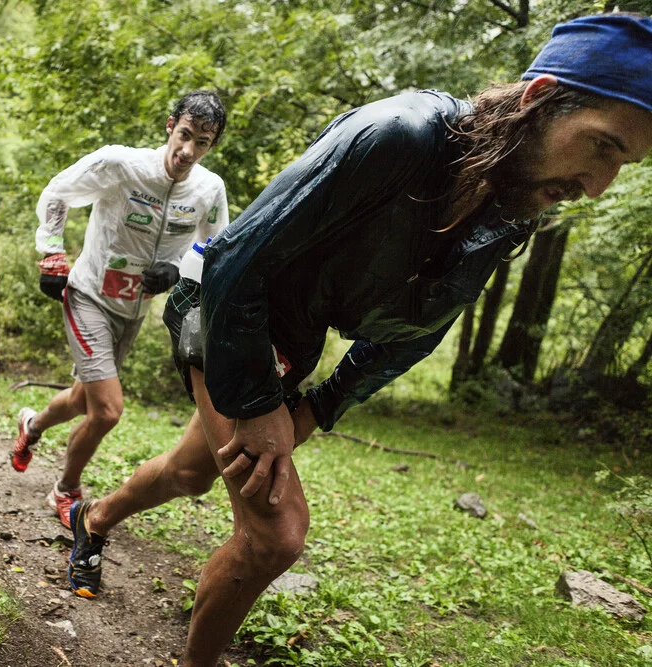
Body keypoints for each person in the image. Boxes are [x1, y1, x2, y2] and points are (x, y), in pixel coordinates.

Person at [65, 14, 652, 665]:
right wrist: (260, 406)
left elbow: (421, 332)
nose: (599, 187)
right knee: (276, 534)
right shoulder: (396, 136)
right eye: (602, 146)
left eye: (624, 164)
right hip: (226, 309)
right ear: (539, 99)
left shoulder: (511, 207)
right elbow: (235, 259)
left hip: (292, 341)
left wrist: (319, 406)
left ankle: (91, 520)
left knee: (192, 470)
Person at [11, 90, 230, 529]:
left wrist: (176, 272)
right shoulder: (121, 164)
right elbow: (57, 193)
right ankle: (66, 491)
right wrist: (52, 253)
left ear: (212, 145)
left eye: (201, 143)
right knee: (107, 410)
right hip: (88, 294)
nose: (188, 151)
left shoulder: (210, 189)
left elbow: (215, 247)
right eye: (184, 135)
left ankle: (32, 426)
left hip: (133, 309)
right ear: (170, 126)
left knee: (81, 399)